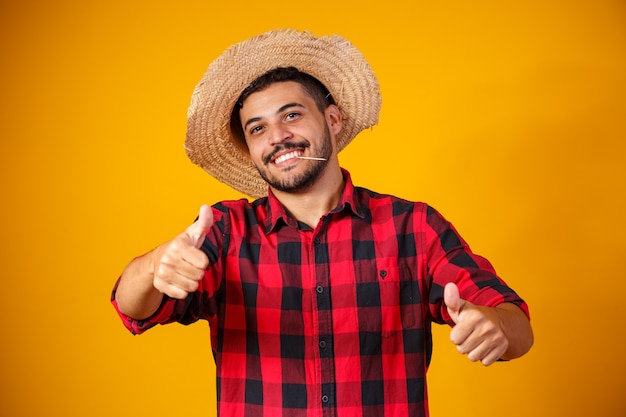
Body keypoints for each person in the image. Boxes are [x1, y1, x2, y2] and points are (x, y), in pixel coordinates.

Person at [112, 29, 533, 417]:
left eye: (291, 115)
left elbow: (515, 322)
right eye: (257, 128)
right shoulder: (223, 231)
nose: (277, 136)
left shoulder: (413, 226)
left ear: (332, 120)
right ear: (251, 150)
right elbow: (132, 308)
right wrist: (154, 268)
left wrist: (495, 326)